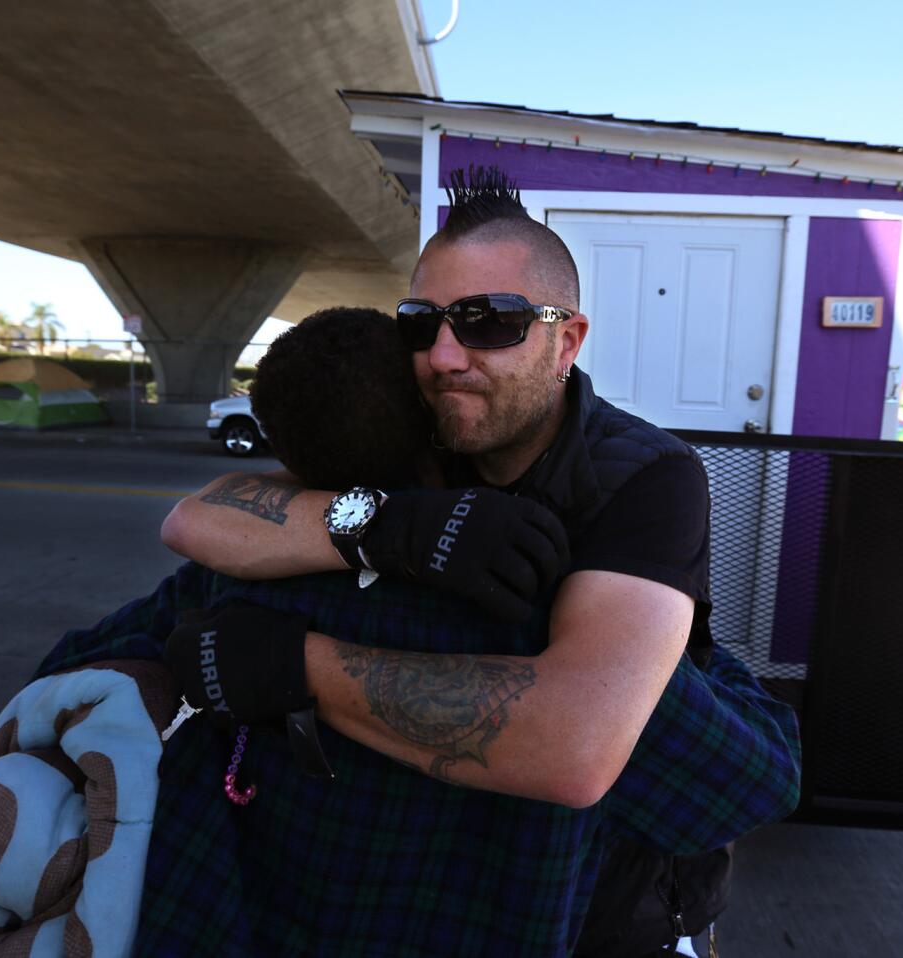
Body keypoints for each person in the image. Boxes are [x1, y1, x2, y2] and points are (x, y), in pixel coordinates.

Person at [156, 169, 800, 954]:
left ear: (565, 340)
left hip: (617, 909)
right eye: (421, 323)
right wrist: (386, 525)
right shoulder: (423, 436)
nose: (444, 355)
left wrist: (299, 664)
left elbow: (574, 748)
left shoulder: (643, 475)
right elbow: (199, 517)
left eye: (490, 321)